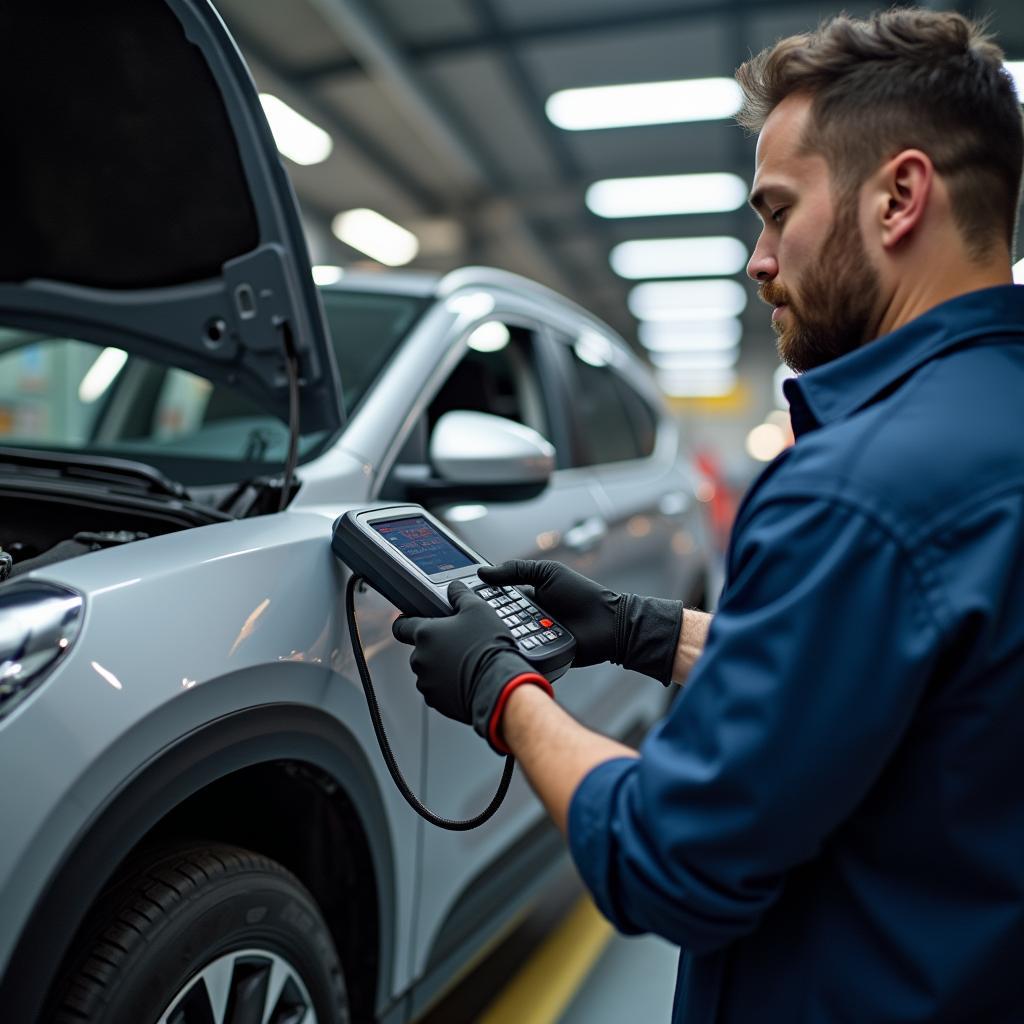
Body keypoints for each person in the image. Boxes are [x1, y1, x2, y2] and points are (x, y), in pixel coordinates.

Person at [392, 9, 1024, 1021]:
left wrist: (503, 692)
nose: (757, 258)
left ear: (899, 196)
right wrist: (645, 630)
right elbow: (888, 685)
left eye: (777, 212)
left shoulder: (853, 483)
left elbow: (666, 855)